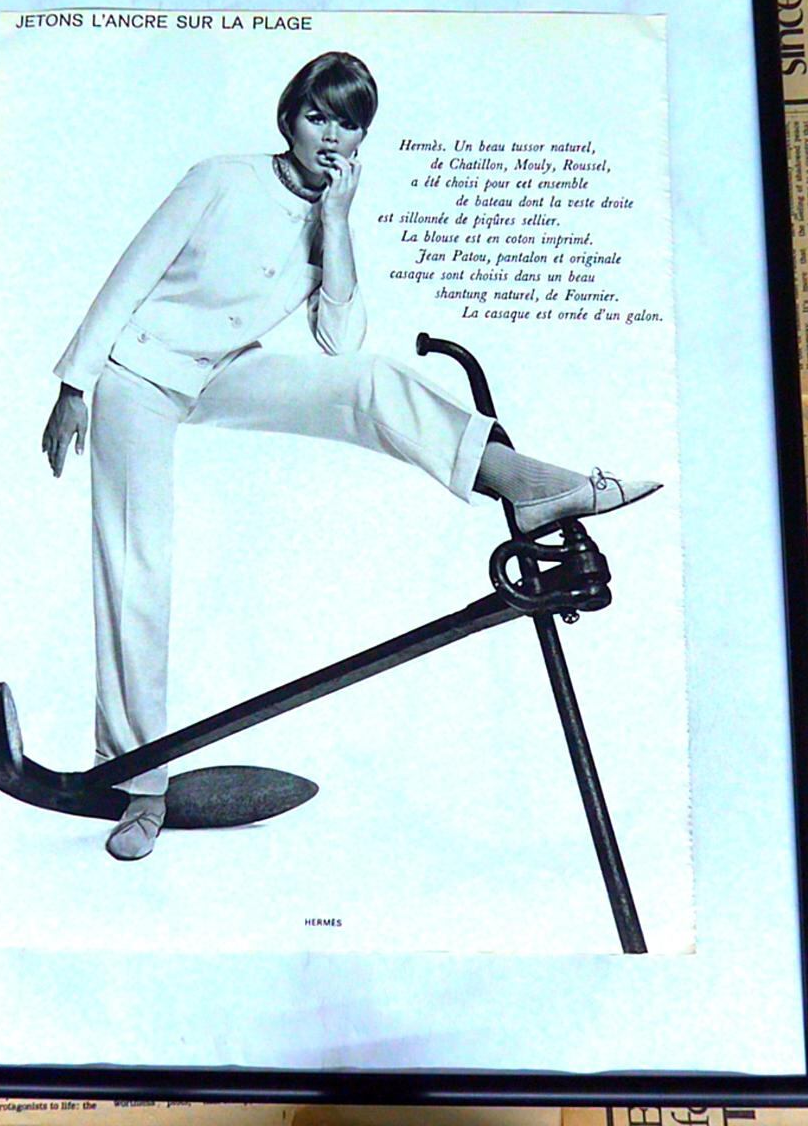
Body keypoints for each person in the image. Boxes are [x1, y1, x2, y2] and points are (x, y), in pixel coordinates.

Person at [41, 52, 659, 861]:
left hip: (221, 371)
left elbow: (339, 341)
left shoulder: (331, 211)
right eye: (316, 116)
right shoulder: (219, 178)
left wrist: (337, 220)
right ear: (288, 118)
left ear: (363, 136)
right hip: (138, 374)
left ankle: (529, 483)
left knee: (370, 383)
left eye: (348, 123)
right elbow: (130, 275)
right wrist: (76, 382)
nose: (330, 136)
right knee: (139, 562)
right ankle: (140, 784)